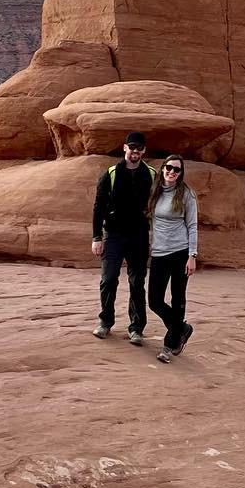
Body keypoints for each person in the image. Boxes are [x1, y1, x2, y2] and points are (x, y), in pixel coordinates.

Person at [91, 132, 154, 344]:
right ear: (124, 148)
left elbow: (158, 205)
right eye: (132, 146)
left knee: (137, 282)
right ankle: (105, 322)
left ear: (144, 151)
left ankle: (136, 328)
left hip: (139, 235)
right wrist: (96, 237)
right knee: (108, 280)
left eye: (139, 148)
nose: (135, 151)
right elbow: (98, 206)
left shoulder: (151, 175)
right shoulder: (111, 173)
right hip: (114, 235)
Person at [146, 155, 198, 363]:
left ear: (181, 173)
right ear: (163, 169)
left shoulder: (186, 194)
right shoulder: (155, 191)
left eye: (177, 170)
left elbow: (192, 225)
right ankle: (182, 328)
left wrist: (192, 255)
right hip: (159, 252)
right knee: (154, 300)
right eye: (169, 168)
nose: (172, 172)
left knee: (178, 299)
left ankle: (169, 346)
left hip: (179, 252)